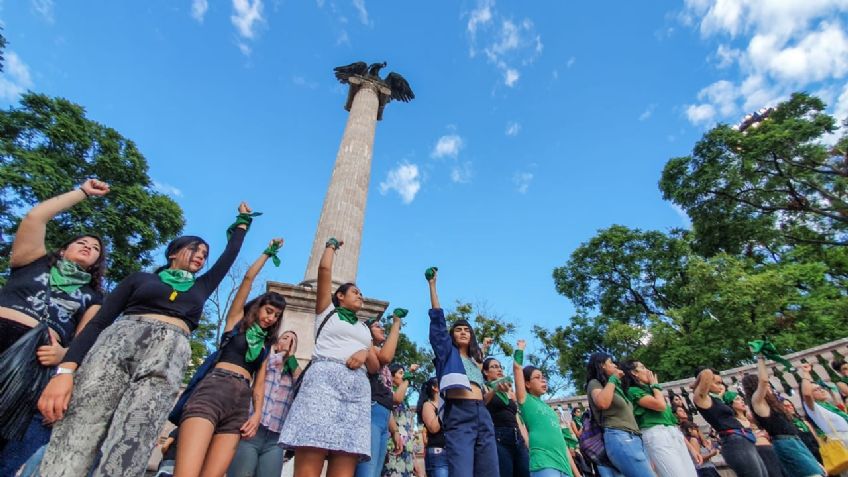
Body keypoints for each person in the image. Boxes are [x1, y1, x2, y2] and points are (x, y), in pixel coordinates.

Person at [38, 201, 254, 477]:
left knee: (135, 436)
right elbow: (98, 323)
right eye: (195, 249)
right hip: (118, 344)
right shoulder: (140, 280)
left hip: (168, 356)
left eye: (204, 254)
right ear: (174, 253)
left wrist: (242, 224)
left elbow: (230, 256)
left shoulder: (201, 285)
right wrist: (66, 370)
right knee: (80, 425)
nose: (201, 256)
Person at [0, 179, 109, 475]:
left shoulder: (93, 297)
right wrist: (83, 192)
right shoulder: (31, 262)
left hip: (33, 370)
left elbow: (84, 338)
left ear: (98, 261)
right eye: (81, 242)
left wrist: (63, 355)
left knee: (10, 442)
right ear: (62, 250)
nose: (88, 246)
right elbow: (35, 217)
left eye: (95, 248)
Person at [174, 239, 286, 477]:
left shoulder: (266, 345)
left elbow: (260, 384)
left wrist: (256, 414)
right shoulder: (236, 324)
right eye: (268, 311)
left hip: (240, 403)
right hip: (213, 389)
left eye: (276, 316)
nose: (271, 318)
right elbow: (247, 280)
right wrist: (268, 253)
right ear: (257, 307)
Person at [278, 238, 379, 477]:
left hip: (356, 393)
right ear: (340, 296)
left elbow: (375, 365)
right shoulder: (326, 312)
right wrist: (331, 247)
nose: (360, 295)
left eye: (362, 293)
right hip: (323, 385)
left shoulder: (365, 329)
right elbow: (324, 271)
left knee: (345, 461)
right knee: (310, 460)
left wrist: (365, 352)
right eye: (355, 292)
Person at [426, 267, 498, 477]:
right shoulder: (447, 354)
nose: (463, 332)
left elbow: (484, 394)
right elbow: (439, 324)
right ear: (452, 335)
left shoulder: (476, 362)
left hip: (482, 413)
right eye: (458, 329)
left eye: (467, 330)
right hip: (459, 412)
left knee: (489, 470)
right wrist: (432, 286)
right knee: (462, 471)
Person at [228, 330, 300, 477]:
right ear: (276, 344)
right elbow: (264, 368)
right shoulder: (268, 360)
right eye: (285, 338)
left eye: (293, 341)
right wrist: (281, 355)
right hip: (252, 431)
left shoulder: (292, 370)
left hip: (275, 438)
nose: (289, 342)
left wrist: (291, 358)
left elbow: (301, 385)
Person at [740, 358, 824, 477]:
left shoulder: (770, 404)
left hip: (795, 441)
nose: (769, 386)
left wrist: (815, 463)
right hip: (785, 444)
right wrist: (760, 358)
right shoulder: (757, 402)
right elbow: (763, 380)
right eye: (766, 385)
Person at [619, 360, 698, 477]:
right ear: (634, 373)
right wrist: (655, 385)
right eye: (643, 367)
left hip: (673, 434)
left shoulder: (654, 391)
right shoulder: (633, 391)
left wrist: (691, 448)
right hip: (656, 435)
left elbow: (671, 423)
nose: (648, 371)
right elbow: (659, 406)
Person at [514, 340, 580, 477]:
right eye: (537, 378)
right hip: (543, 463)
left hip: (564, 467)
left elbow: (562, 443)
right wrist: (520, 349)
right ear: (527, 383)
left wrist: (577, 474)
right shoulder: (525, 400)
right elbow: (517, 368)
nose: (543, 380)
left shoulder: (551, 411)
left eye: (543, 377)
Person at [355, 309, 408, 477]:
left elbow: (391, 399)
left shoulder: (379, 359)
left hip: (383, 416)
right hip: (370, 411)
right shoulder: (367, 347)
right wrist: (396, 323)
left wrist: (394, 430)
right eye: (377, 326)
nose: (382, 329)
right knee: (367, 471)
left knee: (375, 471)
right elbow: (385, 357)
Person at [585, 353, 654, 477]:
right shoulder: (594, 383)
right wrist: (613, 379)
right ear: (602, 365)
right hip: (619, 435)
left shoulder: (615, 387)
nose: (615, 365)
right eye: (610, 362)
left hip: (635, 437)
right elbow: (602, 403)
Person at [691, 368, 768, 477]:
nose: (721, 386)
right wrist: (696, 384)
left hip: (744, 438)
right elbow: (706, 372)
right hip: (733, 441)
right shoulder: (701, 399)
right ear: (707, 382)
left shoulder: (716, 399)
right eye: (717, 383)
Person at [482, 356, 530, 477]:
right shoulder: (485, 387)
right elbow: (482, 402)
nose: (499, 369)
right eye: (494, 366)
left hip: (517, 437)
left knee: (525, 472)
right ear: (485, 372)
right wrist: (495, 390)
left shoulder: (508, 391)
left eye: (500, 367)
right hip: (499, 437)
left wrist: (526, 442)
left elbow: (517, 418)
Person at [798, 362, 848, 446]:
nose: (821, 390)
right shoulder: (814, 408)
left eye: (820, 388)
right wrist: (806, 373)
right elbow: (806, 394)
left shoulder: (827, 406)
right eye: (816, 390)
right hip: (841, 445)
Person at [383, 363, 419, 477]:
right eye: (401, 373)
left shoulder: (405, 401)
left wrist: (414, 461)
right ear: (391, 376)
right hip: (393, 446)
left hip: (406, 451)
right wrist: (409, 375)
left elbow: (408, 432)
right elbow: (397, 399)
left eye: (404, 374)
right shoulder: (388, 393)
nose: (403, 376)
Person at [418, 377, 448, 477]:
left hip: (453, 451)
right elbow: (433, 428)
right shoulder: (428, 405)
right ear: (435, 388)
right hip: (438, 454)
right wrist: (443, 407)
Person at [782, 399, 822, 464]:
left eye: (791, 405)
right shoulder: (787, 426)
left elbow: (816, 438)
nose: (791, 407)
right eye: (786, 406)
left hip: (817, 451)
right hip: (806, 455)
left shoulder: (803, 422)